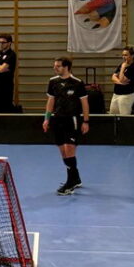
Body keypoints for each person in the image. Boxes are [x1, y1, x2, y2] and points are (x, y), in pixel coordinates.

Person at [44, 57, 90, 195]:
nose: (55, 68)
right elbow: (51, 101)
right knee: (63, 152)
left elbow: (84, 103)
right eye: (55, 66)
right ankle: (76, 178)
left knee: (69, 149)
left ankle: (70, 183)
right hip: (57, 120)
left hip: (72, 120)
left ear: (67, 67)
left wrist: (86, 121)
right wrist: (46, 119)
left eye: (58, 66)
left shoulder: (77, 83)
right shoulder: (53, 82)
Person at [110, 46, 134, 115]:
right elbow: (113, 77)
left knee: (124, 118)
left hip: (126, 96)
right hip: (116, 94)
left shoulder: (133, 68)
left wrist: (122, 68)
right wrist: (120, 83)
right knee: (113, 115)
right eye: (123, 55)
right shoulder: (122, 65)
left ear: (132, 56)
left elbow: (122, 79)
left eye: (126, 55)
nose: (123, 57)